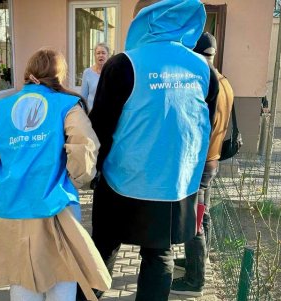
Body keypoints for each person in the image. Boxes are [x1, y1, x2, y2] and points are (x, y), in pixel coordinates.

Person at [79, 0, 219, 300]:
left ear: (144, 22)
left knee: (102, 249)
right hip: (174, 186)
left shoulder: (123, 64)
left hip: (122, 181)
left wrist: (94, 171)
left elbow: (99, 127)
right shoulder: (204, 70)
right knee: (159, 256)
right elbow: (204, 125)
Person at [0, 48, 111, 301]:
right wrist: (75, 179)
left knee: (22, 281)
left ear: (28, 72)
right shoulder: (67, 104)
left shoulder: (2, 108)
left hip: (10, 207)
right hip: (56, 204)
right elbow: (86, 146)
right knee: (62, 276)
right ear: (59, 74)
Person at [170, 32, 234, 297]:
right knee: (201, 215)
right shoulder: (224, 81)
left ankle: (195, 281)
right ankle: (197, 261)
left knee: (192, 220)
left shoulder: (206, 82)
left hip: (199, 162)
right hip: (213, 159)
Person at [80, 43, 110, 111]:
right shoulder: (87, 72)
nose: (101, 55)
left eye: (103, 53)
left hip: (108, 113)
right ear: (94, 55)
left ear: (108, 55)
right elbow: (83, 96)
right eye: (98, 53)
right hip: (91, 113)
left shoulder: (113, 73)